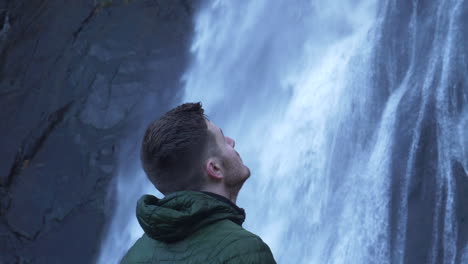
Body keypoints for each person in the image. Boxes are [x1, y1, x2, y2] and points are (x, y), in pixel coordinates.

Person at [120, 102, 276, 264]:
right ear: (215, 168)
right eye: (223, 139)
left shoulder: (132, 257)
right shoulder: (244, 251)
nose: (232, 142)